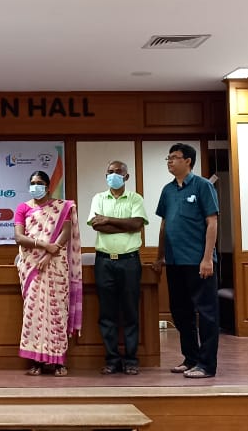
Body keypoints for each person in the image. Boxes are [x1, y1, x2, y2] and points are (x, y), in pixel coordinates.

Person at [152, 143, 220, 379]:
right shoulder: (168, 190)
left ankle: (207, 365)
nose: (170, 161)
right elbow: (164, 225)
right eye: (168, 158)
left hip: (198, 261)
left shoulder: (202, 186)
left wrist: (207, 258)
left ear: (188, 161)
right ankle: (190, 358)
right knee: (181, 312)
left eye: (174, 157)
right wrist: (160, 256)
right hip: (174, 261)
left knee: (206, 313)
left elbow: (212, 222)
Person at [13, 170, 82, 377]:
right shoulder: (23, 208)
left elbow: (66, 231)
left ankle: (59, 361)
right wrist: (44, 245)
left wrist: (50, 253)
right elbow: (19, 237)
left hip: (56, 265)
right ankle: (36, 361)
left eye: (40, 183)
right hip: (32, 266)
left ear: (48, 186)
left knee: (57, 312)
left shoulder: (63, 207)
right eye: (33, 183)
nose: (36, 186)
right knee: (33, 314)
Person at [88, 160, 147, 375]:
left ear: (126, 177)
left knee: (131, 312)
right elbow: (97, 225)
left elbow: (137, 224)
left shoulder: (135, 198)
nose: (113, 175)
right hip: (104, 262)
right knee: (107, 314)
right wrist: (124, 225)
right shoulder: (98, 198)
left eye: (118, 172)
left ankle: (131, 360)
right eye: (109, 172)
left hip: (129, 261)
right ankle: (112, 359)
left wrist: (108, 220)